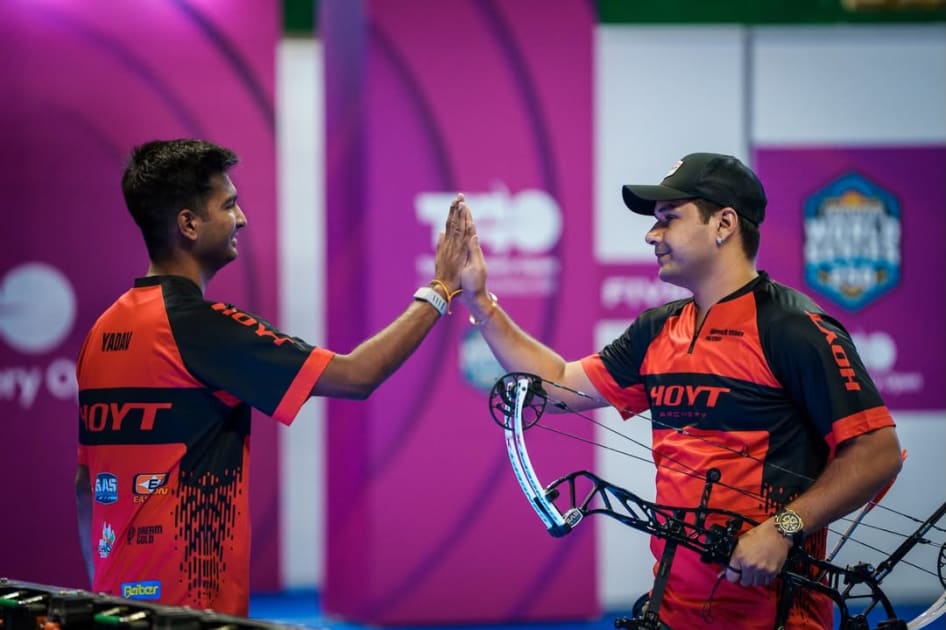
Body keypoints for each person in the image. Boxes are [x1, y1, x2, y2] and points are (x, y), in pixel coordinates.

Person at [457, 152, 903, 628]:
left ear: (724, 224)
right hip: (672, 612)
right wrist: (480, 301)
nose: (652, 235)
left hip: (778, 618)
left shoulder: (794, 328)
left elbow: (878, 453)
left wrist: (782, 528)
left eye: (669, 220)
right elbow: (559, 386)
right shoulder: (658, 329)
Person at [75, 139, 471, 616]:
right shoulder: (201, 327)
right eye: (229, 205)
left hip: (112, 606)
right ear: (188, 224)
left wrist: (102, 592)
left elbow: (84, 485)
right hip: (192, 615)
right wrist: (442, 288)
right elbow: (356, 376)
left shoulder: (102, 332)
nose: (240, 219)